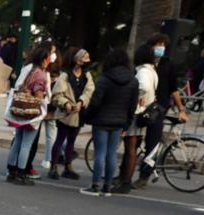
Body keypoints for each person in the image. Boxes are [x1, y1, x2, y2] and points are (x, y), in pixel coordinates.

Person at [80, 47, 136, 196]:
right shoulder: (133, 81)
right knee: (112, 154)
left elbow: (95, 102)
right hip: (119, 122)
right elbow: (133, 106)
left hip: (101, 121)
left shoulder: (104, 80)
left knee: (100, 153)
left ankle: (95, 185)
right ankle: (107, 187)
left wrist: (87, 117)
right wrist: (127, 123)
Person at [135, 34, 187, 189]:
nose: (161, 47)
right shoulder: (143, 65)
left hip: (159, 109)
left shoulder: (167, 64)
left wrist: (181, 109)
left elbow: (174, 89)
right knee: (133, 140)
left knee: (152, 142)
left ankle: (144, 175)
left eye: (163, 44)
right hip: (141, 107)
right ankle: (125, 172)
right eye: (158, 44)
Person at [112, 43, 159, 193]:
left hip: (136, 112)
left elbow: (143, 87)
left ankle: (126, 181)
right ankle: (124, 177)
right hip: (144, 112)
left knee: (130, 147)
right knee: (132, 146)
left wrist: (135, 97)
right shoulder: (152, 71)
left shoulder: (143, 72)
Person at [3, 43, 51, 186]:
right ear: (44, 59)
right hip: (32, 113)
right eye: (48, 58)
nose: (50, 61)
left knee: (17, 140)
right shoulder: (41, 74)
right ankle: (21, 173)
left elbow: (18, 86)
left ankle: (11, 171)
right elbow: (39, 95)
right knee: (26, 144)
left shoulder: (27, 68)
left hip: (19, 109)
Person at [48, 47, 93, 180]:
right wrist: (66, 104)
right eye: (85, 57)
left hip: (79, 113)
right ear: (78, 59)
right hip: (65, 114)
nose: (87, 60)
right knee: (60, 139)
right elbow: (57, 94)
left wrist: (81, 102)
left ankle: (68, 166)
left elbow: (89, 91)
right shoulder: (65, 75)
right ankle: (53, 166)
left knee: (72, 141)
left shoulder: (87, 75)